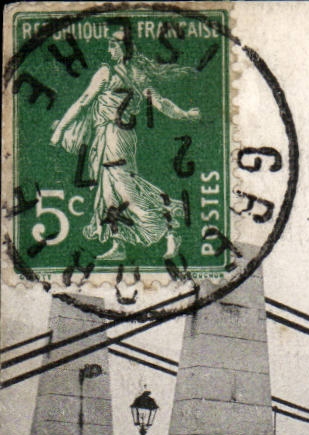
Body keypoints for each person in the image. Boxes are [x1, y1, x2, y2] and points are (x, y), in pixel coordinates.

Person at [48, 28, 200, 261]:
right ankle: (118, 243)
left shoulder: (107, 72)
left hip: (114, 135)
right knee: (108, 190)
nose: (109, 50)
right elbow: (162, 104)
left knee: (122, 187)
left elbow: (83, 102)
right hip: (111, 136)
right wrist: (185, 114)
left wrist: (59, 130)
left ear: (123, 48)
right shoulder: (138, 75)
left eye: (112, 45)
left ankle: (168, 230)